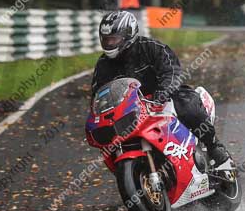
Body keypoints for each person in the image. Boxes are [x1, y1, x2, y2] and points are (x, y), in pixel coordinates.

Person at [91, 10, 231, 167]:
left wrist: (164, 91)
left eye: (114, 39)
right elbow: (98, 93)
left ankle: (214, 146)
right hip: (132, 108)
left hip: (164, 96)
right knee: (108, 137)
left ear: (128, 35)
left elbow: (171, 71)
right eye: (106, 40)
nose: (109, 44)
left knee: (188, 107)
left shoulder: (152, 48)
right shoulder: (103, 65)